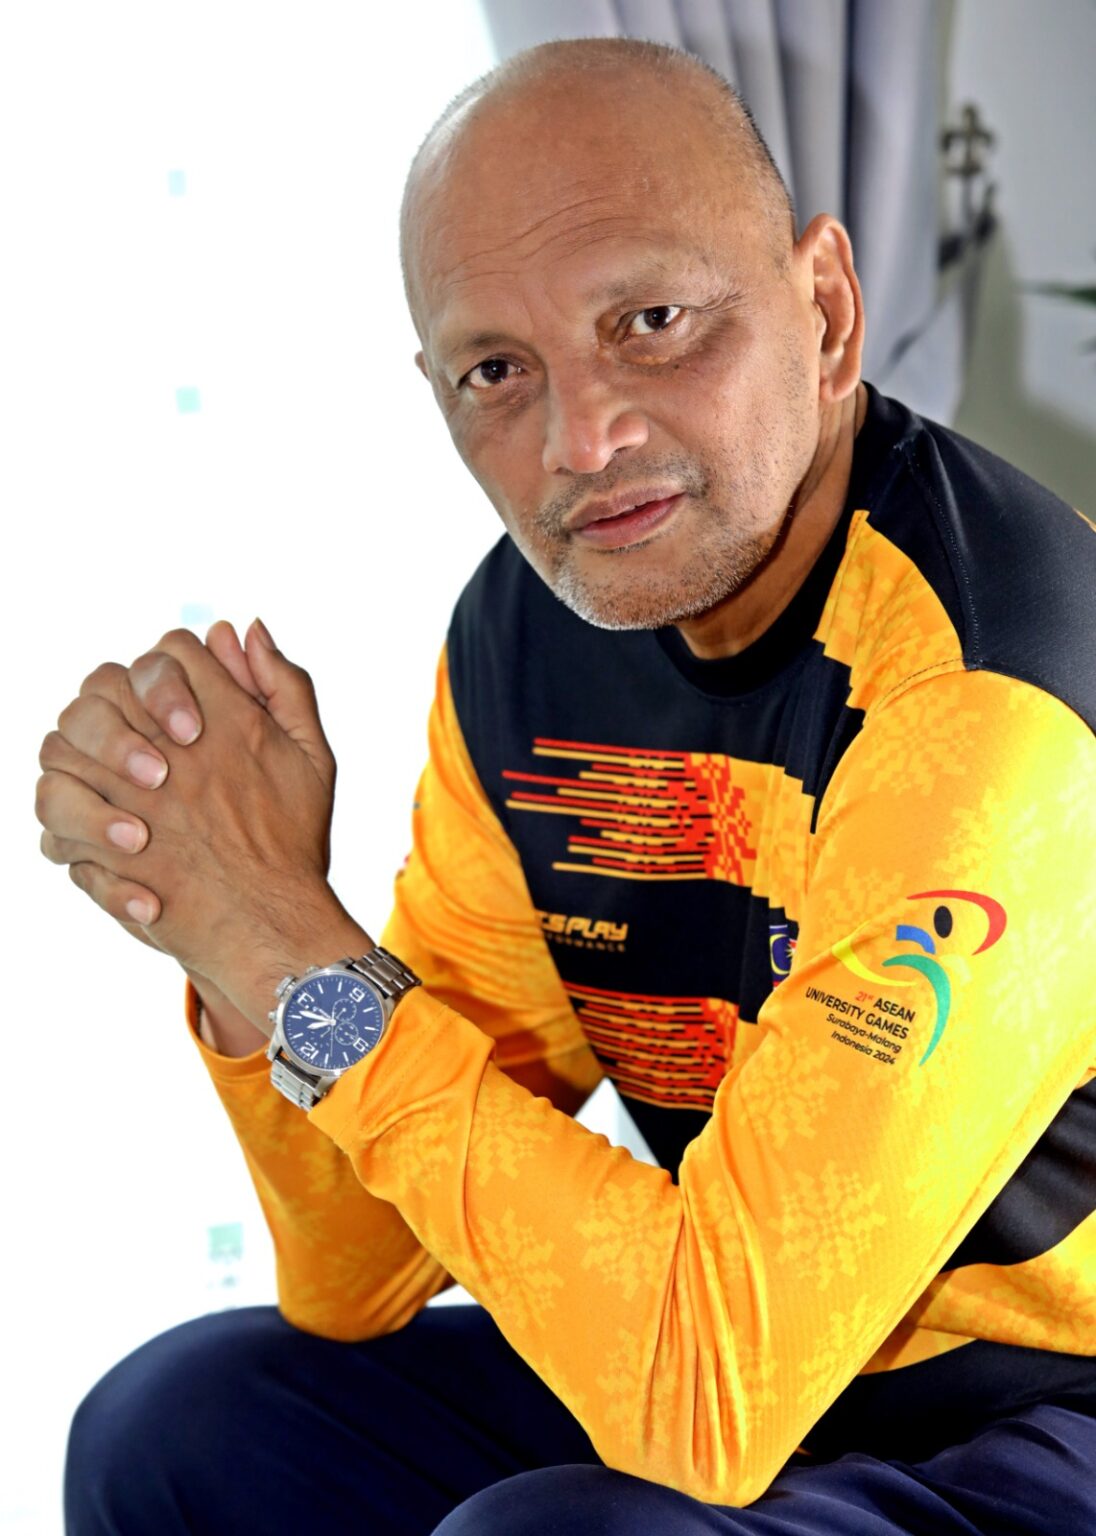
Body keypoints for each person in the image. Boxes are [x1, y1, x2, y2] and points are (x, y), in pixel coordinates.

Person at [37, 36, 1096, 1536]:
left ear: (826, 312)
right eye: (498, 371)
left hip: (1049, 1412)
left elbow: (705, 1398)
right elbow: (359, 1277)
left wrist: (294, 954)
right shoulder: (529, 640)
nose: (581, 440)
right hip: (760, 1363)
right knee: (182, 1428)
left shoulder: (989, 691)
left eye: (652, 322)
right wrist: (232, 929)